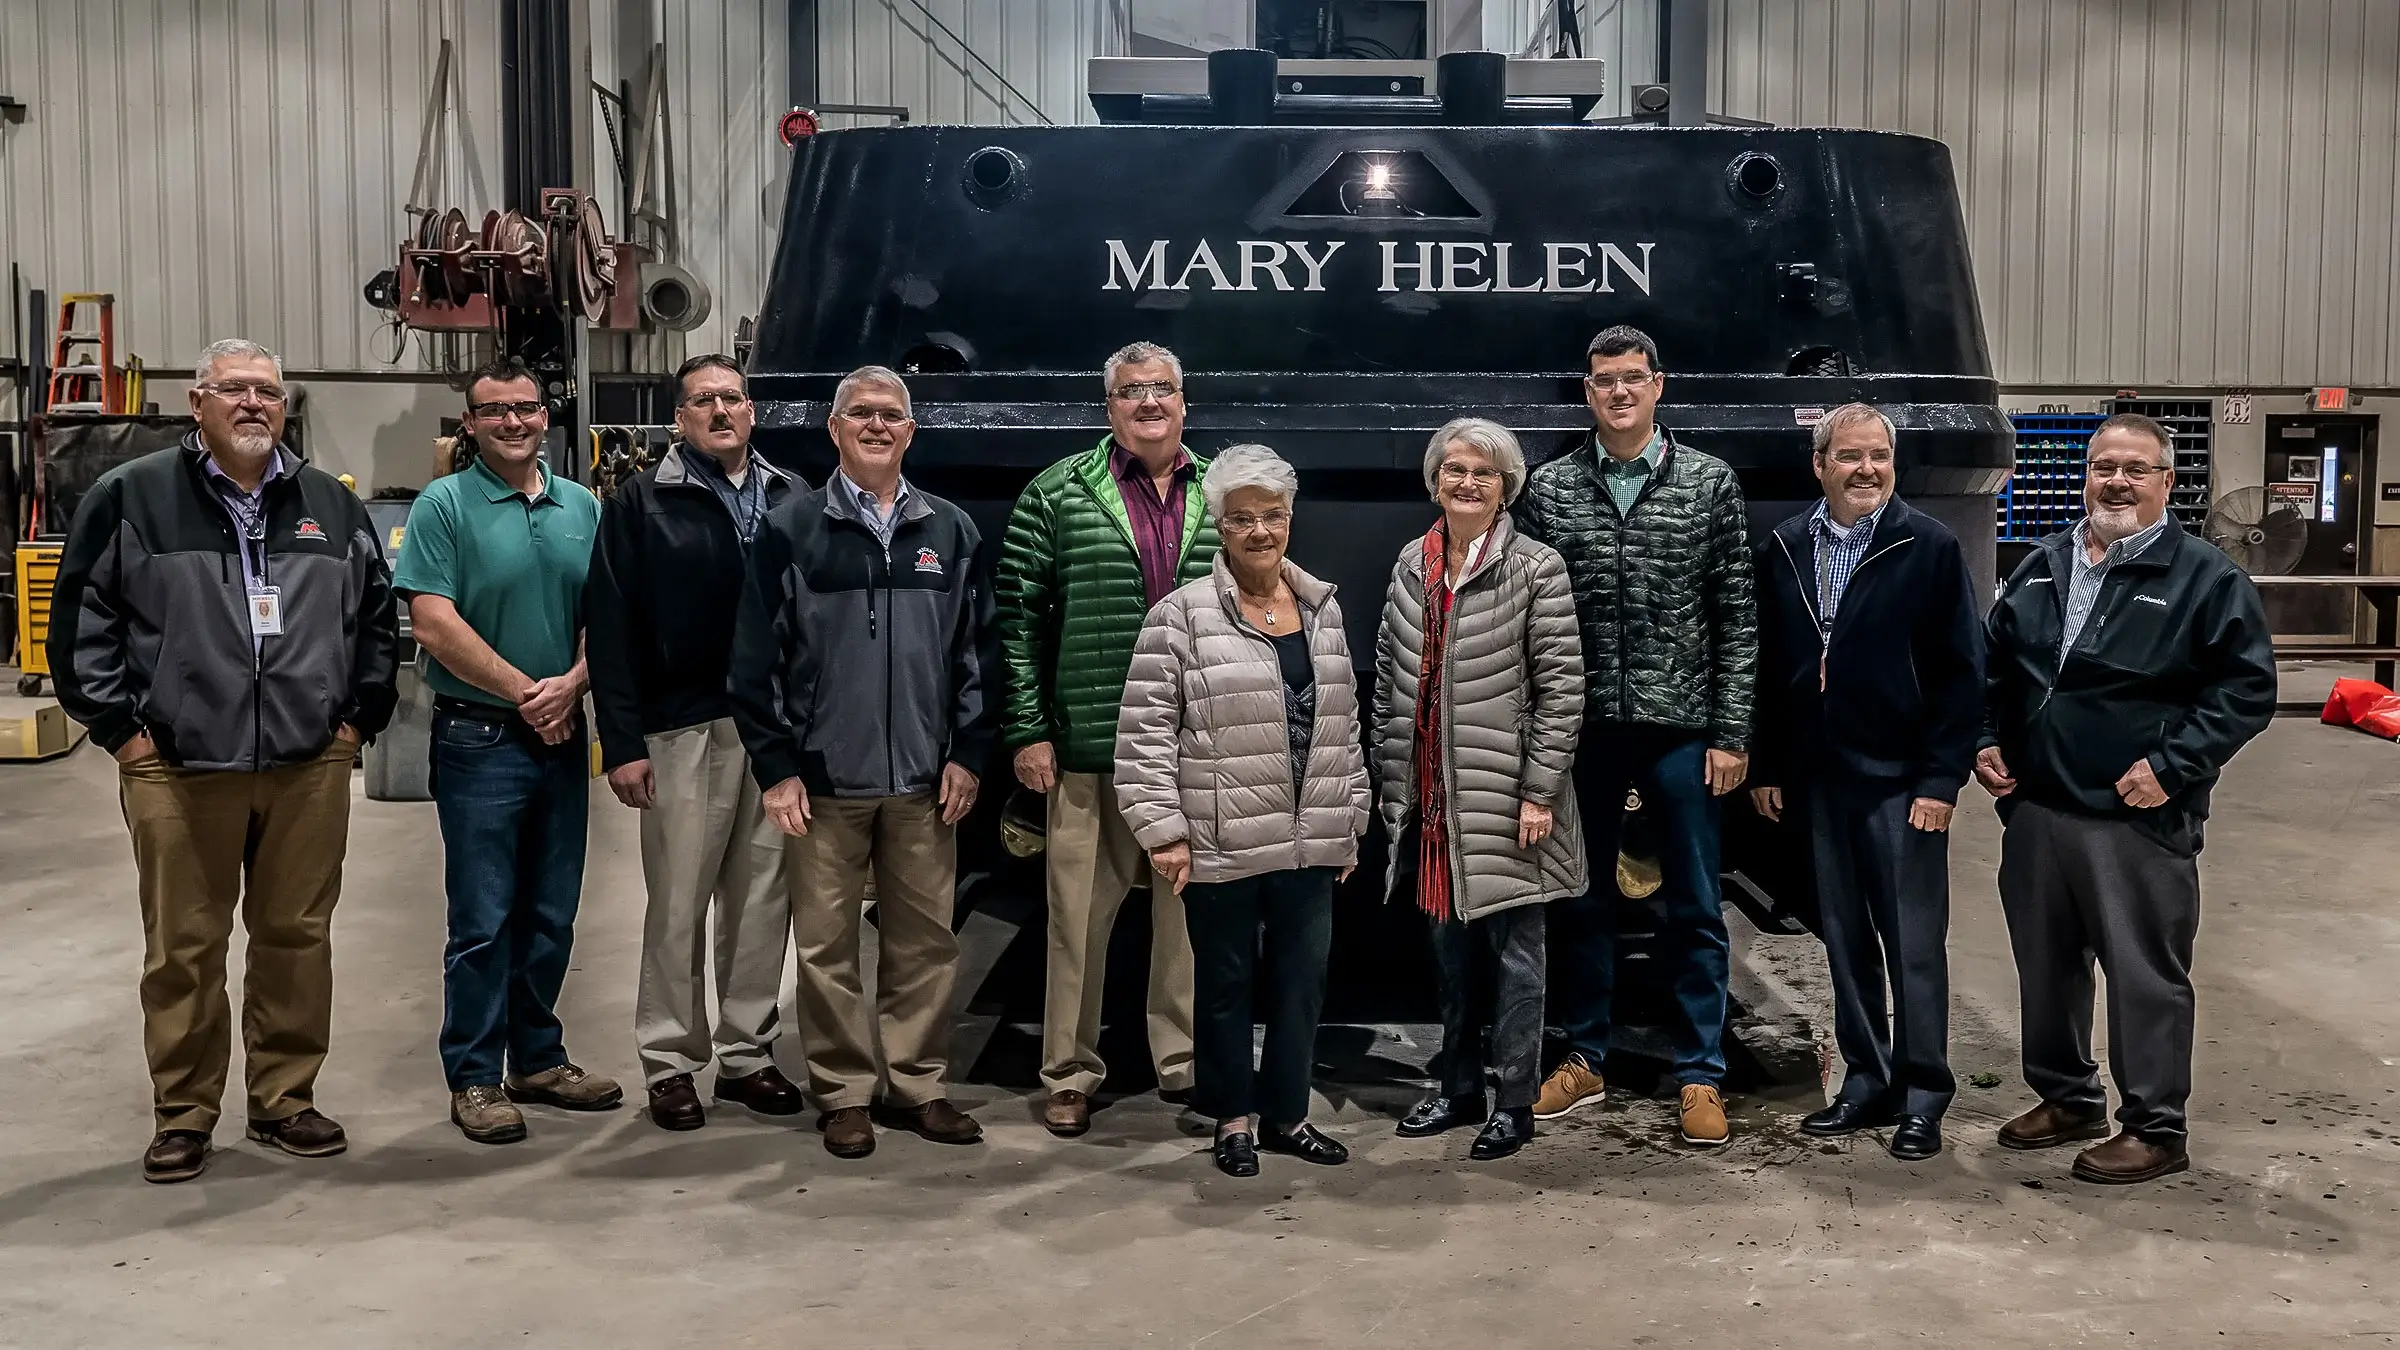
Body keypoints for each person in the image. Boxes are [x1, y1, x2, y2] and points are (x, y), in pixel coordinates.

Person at [49, 338, 398, 1183]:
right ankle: (184, 1113)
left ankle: (284, 1098)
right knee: (185, 946)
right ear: (195, 401)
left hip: (308, 762)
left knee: (295, 936)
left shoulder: (329, 505)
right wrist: (124, 734)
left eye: (268, 392)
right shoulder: (130, 496)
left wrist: (356, 723)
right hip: (175, 763)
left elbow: (377, 622)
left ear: (286, 406)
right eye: (234, 389)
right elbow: (79, 626)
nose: (253, 404)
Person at [1977, 413, 2274, 1184]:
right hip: (2040, 810)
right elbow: (1996, 663)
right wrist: (1985, 737)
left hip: (2136, 819)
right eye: (2103, 465)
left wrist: (2173, 767)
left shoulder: (2206, 577)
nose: (2116, 480)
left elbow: (2245, 691)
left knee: (2144, 976)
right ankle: (2070, 1096)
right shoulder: (2044, 563)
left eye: (2136, 469)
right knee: (2046, 968)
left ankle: (2155, 1127)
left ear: (2167, 482)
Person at [729, 365, 995, 1159]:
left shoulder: (950, 531)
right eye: (861, 414)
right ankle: (843, 1092)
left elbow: (977, 656)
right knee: (826, 945)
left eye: (892, 415)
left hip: (923, 780)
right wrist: (777, 768)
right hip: (823, 780)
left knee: (924, 941)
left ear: (911, 432)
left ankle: (917, 1085)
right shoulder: (791, 529)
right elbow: (753, 662)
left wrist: (970, 754)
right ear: (834, 429)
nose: (877, 425)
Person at [1516, 324, 1757, 1147]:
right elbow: (1531, 624)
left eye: (1633, 378)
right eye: (1604, 380)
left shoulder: (1708, 483)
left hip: (1682, 729)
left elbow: (1737, 617)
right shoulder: (1549, 490)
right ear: (1587, 393)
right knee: (1581, 900)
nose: (1619, 392)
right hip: (1582, 730)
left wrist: (1731, 734)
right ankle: (1584, 1056)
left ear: (1659, 386)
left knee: (1693, 905)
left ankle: (1700, 1072)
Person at [1116, 445, 1371, 1177]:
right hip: (1221, 840)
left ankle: (1289, 1114)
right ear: (1219, 528)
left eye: (1272, 516)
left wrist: (1349, 820)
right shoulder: (1181, 616)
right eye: (1242, 519)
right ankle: (1232, 1118)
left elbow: (1343, 726)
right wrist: (1164, 833)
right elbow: (1143, 734)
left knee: (1301, 985)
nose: (1259, 531)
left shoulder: (1322, 608)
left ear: (1290, 520)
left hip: (1312, 839)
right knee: (1224, 986)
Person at [1748, 404, 1983, 1162]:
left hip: (1903, 783)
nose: (1867, 469)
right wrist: (1771, 764)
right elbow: (1771, 667)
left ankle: (1922, 1095)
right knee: (1845, 942)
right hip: (1821, 782)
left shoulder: (1929, 546)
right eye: (1849, 456)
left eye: (1879, 455)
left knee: (1914, 944)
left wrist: (1941, 781)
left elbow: (1959, 674)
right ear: (1819, 465)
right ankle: (1865, 1081)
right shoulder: (1785, 546)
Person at [394, 360, 620, 1145]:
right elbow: (432, 621)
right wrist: (533, 693)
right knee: (484, 918)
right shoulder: (444, 504)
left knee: (551, 911)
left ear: (545, 416)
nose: (514, 422)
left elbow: (605, 613)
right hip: (481, 736)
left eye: (525, 408)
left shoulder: (582, 505)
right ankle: (476, 1076)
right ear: (472, 425)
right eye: (495, 412)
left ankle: (538, 1058)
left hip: (564, 732)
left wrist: (576, 683)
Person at [996, 340, 1217, 1136]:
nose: (1148, 403)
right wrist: (1027, 729)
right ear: (1109, 405)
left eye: (1162, 389)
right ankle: (1068, 1073)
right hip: (1090, 748)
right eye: (1131, 391)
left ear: (1184, 402)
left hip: (1198, 747)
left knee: (1189, 927)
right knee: (1076, 924)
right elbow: (1016, 622)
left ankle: (1186, 1063)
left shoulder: (1224, 493)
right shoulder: (1059, 493)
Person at [587, 354, 804, 1131]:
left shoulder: (791, 497)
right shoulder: (643, 502)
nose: (720, 411)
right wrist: (622, 742)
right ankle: (672, 1062)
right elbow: (610, 629)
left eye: (733, 398)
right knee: (678, 901)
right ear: (679, 419)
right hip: (681, 727)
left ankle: (748, 1056)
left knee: (761, 900)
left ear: (753, 411)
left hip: (771, 733)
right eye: (702, 401)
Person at [1374, 418, 1586, 1162]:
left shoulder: (1537, 567)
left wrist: (1539, 792)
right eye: (1455, 470)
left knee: (1518, 957)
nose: (1467, 483)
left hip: (1509, 798)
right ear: (1436, 480)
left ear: (1506, 487)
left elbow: (1562, 690)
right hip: (1433, 800)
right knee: (1449, 955)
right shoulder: (1411, 564)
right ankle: (1458, 1087)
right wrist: (1390, 781)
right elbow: (1391, 687)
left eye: (1483, 473)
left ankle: (1516, 1099)